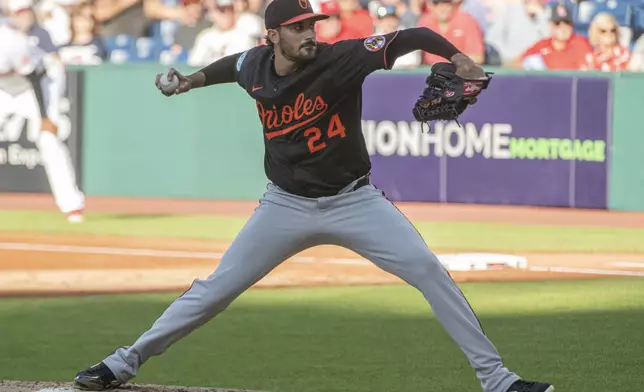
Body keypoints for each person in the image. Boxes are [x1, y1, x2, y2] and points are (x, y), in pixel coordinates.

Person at [72, 0, 555, 391]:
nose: (310, 33)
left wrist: (458, 57)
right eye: (299, 27)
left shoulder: (342, 57)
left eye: (312, 24)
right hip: (284, 204)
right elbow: (230, 66)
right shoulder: (255, 64)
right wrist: (191, 81)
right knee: (214, 291)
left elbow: (409, 37)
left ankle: (498, 381)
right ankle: (121, 364)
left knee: (429, 271)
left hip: (355, 201)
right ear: (273, 36)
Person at [2, 1, 85, 223]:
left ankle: (72, 206)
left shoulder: (11, 41)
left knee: (48, 139)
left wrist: (45, 117)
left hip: (36, 86)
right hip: (6, 87)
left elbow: (33, 75)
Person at [517, 3, 592, 70]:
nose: (563, 27)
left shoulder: (581, 43)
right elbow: (516, 64)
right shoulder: (541, 46)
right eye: (557, 23)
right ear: (551, 25)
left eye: (567, 22)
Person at [417, 0, 485, 65]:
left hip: (459, 72)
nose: (442, 8)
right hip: (429, 72)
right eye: (436, 3)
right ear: (430, 5)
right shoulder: (425, 22)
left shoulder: (467, 21)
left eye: (446, 2)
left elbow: (478, 57)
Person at [485, 0, 549, 66]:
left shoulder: (549, 13)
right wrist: (507, 57)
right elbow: (492, 38)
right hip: (508, 63)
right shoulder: (511, 10)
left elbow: (551, 40)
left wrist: (541, 16)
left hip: (536, 67)